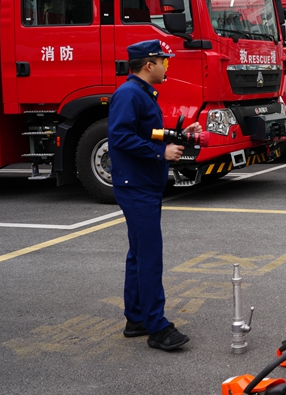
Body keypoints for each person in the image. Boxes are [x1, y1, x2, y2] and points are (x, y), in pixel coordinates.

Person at [108, 39, 197, 351]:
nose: (166, 66)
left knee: (139, 253)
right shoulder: (130, 93)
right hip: (137, 186)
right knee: (149, 256)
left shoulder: (139, 92)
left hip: (141, 184)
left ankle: (136, 319)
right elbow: (119, 138)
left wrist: (174, 135)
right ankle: (157, 328)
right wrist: (162, 153)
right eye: (164, 61)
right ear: (149, 64)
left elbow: (145, 131)